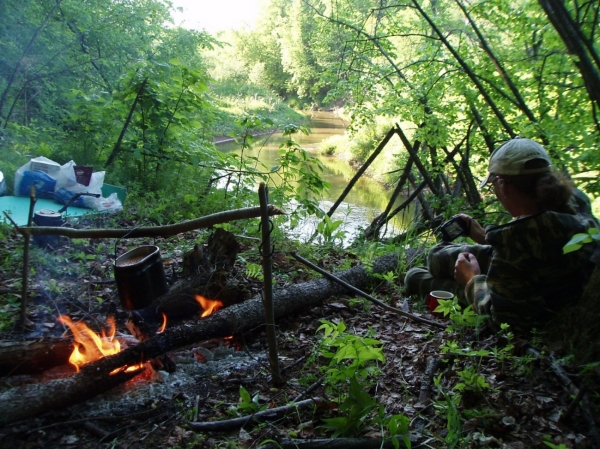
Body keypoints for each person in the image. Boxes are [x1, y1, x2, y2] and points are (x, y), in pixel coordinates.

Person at [404, 137, 599, 333]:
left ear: (503, 185)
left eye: (492, 184)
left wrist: (472, 280)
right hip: (543, 278)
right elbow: (538, 241)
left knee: (415, 276)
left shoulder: (514, 245)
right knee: (437, 255)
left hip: (539, 302)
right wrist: (482, 236)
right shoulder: (577, 205)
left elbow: (501, 321)